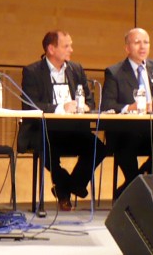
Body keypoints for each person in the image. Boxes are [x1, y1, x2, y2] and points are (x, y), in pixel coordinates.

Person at [19, 30, 107, 211]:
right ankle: (66, 187)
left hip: (73, 129)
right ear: (51, 49)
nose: (71, 50)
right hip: (44, 130)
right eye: (66, 46)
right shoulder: (32, 71)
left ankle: (70, 185)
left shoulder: (76, 69)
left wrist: (84, 106)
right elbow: (30, 105)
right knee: (47, 150)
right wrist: (61, 107)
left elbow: (90, 101)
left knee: (98, 147)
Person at [101, 27, 153, 196]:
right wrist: (129, 108)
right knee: (125, 143)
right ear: (127, 48)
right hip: (127, 133)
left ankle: (133, 186)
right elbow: (107, 105)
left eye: (146, 42)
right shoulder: (115, 72)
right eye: (137, 42)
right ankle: (138, 187)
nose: (142, 47)